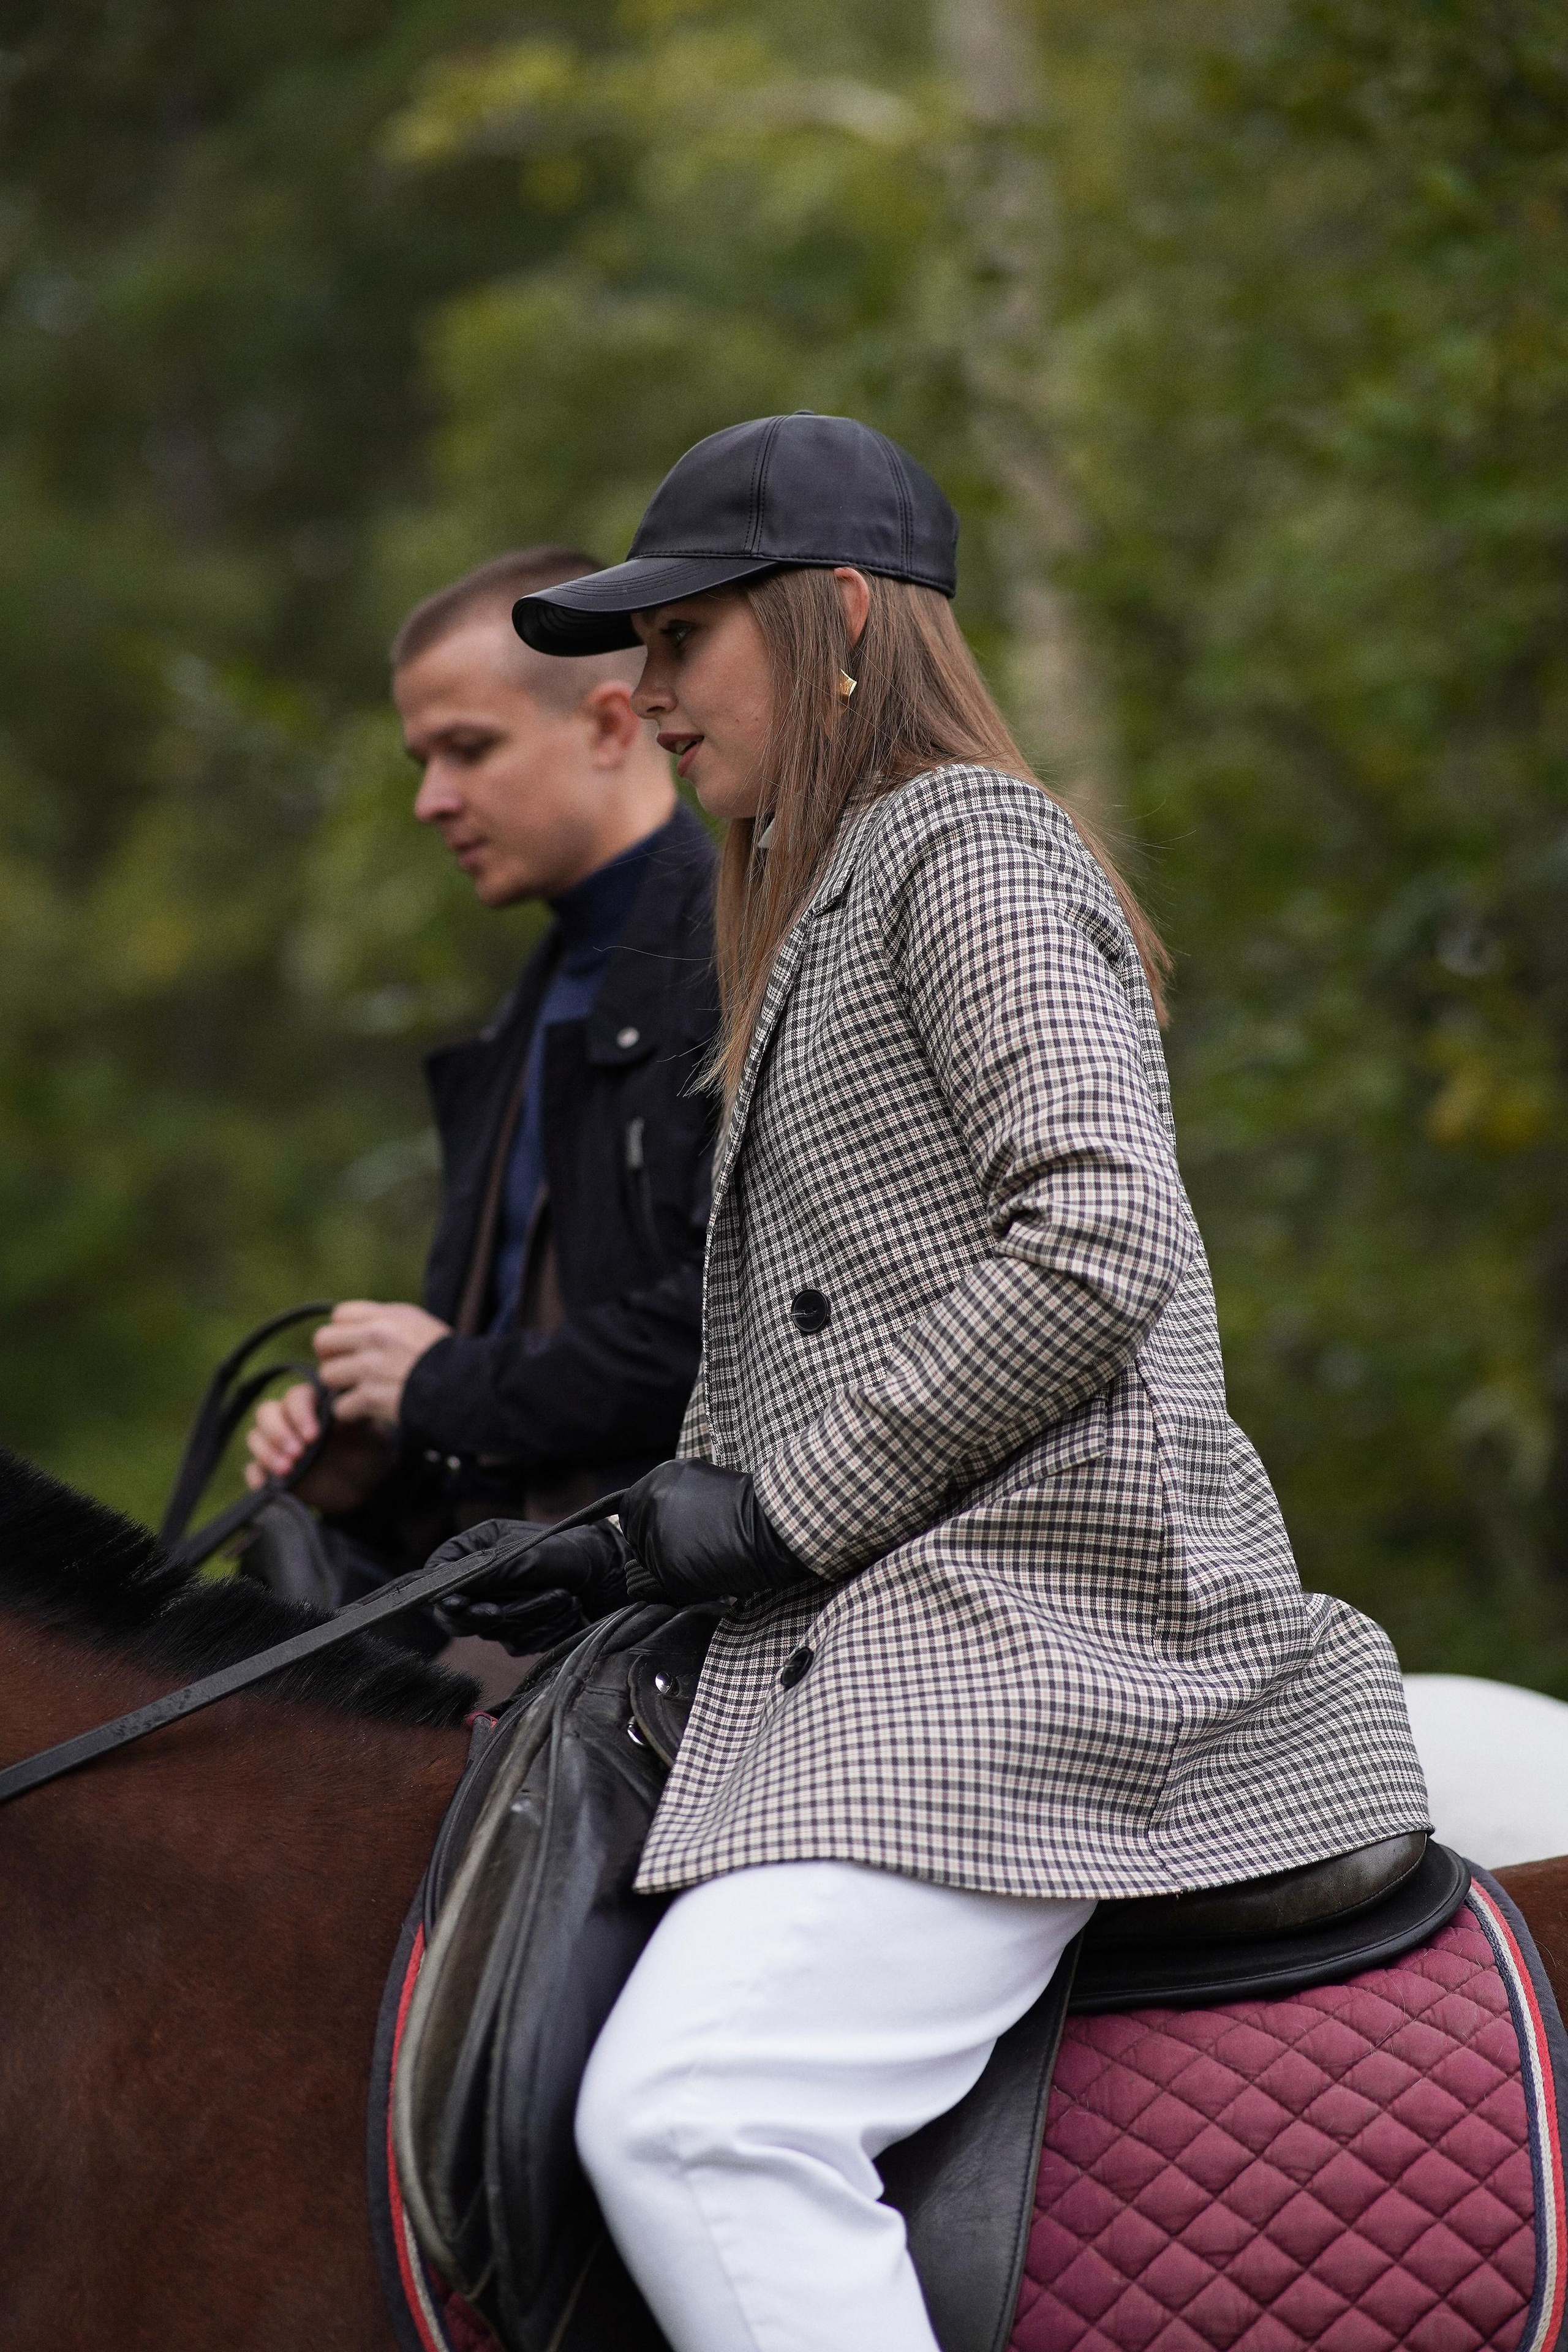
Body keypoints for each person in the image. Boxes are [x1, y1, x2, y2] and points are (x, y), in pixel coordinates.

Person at [436, 414, 1431, 2351]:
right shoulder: (823, 892)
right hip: (894, 1630)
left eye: (684, 641)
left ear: (843, 620)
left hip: (1037, 1638)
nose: (644, 695)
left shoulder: (964, 849)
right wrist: (642, 1548)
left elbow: (1099, 1241)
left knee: (708, 2117)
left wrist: (777, 1509)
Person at [243, 548, 718, 1624]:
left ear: (609, 727)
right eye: (423, 758)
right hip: (521, 1622)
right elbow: (516, 1397)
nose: (430, 801)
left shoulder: (737, 951)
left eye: (468, 749)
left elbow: (736, 1333)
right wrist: (373, 1467)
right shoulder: (534, 1002)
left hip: (673, 1645)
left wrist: (443, 1384)